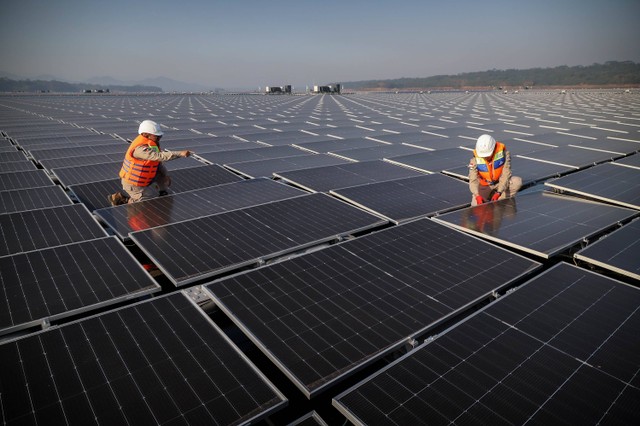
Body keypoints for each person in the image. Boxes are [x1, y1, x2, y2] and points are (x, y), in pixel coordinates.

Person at [108, 120, 191, 205]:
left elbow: (158, 163)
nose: (159, 138)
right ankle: (123, 199)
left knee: (161, 174)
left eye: (160, 136)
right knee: (145, 200)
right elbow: (159, 156)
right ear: (146, 134)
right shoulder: (139, 149)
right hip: (133, 182)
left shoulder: (151, 144)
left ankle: (163, 193)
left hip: (145, 177)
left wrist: (166, 175)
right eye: (157, 136)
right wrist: (180, 153)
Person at [468, 134, 522, 206]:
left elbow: (506, 174)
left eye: (487, 155)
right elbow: (473, 179)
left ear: (493, 149)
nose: (485, 157)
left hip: (499, 182)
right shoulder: (475, 159)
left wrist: (499, 192)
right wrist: (477, 195)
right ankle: (489, 196)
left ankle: (500, 200)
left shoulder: (504, 154)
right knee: (475, 206)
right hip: (484, 185)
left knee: (517, 182)